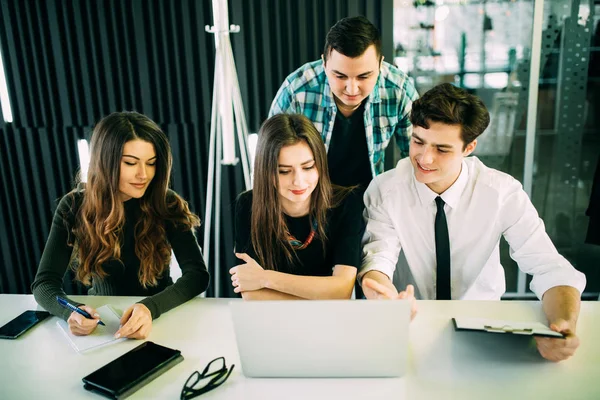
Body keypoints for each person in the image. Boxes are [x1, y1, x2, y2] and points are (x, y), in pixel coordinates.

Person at [359, 83, 586, 362]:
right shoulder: (386, 190)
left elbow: (549, 267)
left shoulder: (501, 192)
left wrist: (563, 326)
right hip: (410, 323)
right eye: (418, 141)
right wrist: (384, 298)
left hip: (484, 326)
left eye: (442, 149)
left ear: (469, 147)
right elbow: (378, 261)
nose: (424, 158)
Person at [32, 111, 209, 339]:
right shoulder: (74, 205)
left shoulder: (166, 202)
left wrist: (149, 308)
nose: (143, 174)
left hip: (160, 314)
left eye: (152, 163)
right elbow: (44, 283)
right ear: (105, 162)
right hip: (102, 321)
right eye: (130, 163)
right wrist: (69, 312)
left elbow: (197, 275)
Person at [269, 16, 418, 191]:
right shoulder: (296, 91)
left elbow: (417, 157)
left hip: (370, 196)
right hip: (308, 195)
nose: (352, 89)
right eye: (340, 76)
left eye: (364, 76)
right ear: (324, 64)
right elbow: (268, 160)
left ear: (380, 65)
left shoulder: (399, 89)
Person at [230, 114, 364, 299]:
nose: (298, 181)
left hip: (329, 322)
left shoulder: (345, 203)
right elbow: (252, 296)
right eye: (284, 171)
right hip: (270, 322)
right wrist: (322, 295)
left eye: (308, 167)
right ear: (265, 171)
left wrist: (266, 279)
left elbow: (342, 290)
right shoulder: (247, 205)